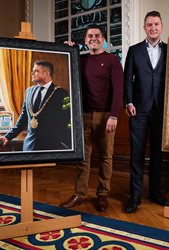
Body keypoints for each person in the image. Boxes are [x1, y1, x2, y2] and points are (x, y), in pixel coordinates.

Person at [60, 24, 123, 212]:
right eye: (89, 36)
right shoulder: (79, 60)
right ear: (85, 40)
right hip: (83, 115)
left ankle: (102, 194)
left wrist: (113, 115)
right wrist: (67, 50)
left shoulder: (113, 61)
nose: (93, 38)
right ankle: (80, 194)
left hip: (105, 116)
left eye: (97, 35)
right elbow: (65, 72)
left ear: (103, 39)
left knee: (106, 157)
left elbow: (118, 90)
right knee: (82, 158)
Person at [123, 11, 168, 213]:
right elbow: (127, 79)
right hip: (138, 110)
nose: (153, 28)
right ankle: (135, 196)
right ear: (144, 28)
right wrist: (129, 102)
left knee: (158, 153)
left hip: (161, 111)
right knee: (137, 154)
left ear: (161, 26)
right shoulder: (134, 50)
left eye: (156, 24)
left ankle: (155, 192)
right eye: (149, 24)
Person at [0, 61, 71, 151]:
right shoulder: (29, 91)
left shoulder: (61, 93)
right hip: (29, 145)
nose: (32, 73)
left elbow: (66, 120)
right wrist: (9, 136)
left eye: (36, 71)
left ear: (46, 74)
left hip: (51, 147)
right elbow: (24, 117)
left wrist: (66, 144)